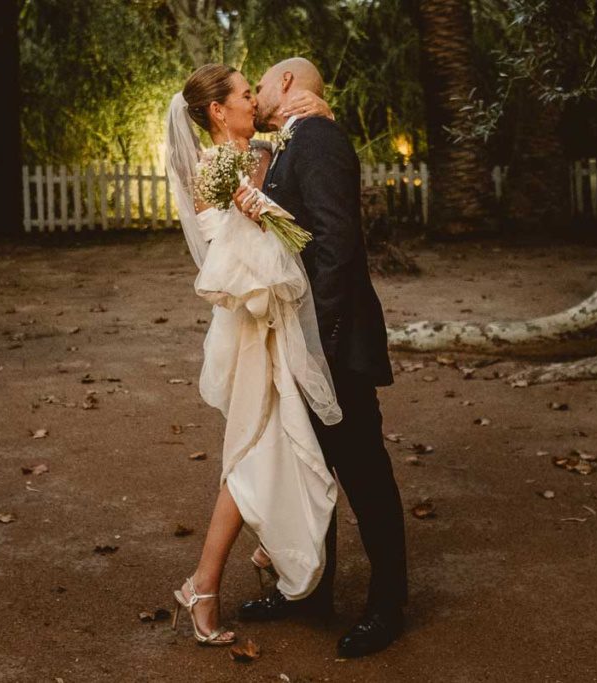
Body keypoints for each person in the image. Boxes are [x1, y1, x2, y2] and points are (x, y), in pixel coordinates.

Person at [236, 57, 408, 659]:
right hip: (300, 342)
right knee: (309, 469)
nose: (253, 94)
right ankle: (310, 593)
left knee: (364, 476)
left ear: (287, 83)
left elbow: (337, 245)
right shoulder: (292, 138)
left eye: (260, 84)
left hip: (334, 345)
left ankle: (389, 606)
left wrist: (321, 343)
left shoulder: (321, 139)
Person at [163, 63, 339, 646]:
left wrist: (322, 114)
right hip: (250, 327)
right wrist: (263, 217)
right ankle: (203, 583)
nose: (251, 101)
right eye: (243, 94)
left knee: (276, 441)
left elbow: (293, 151)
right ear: (218, 111)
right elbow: (230, 266)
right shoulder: (215, 171)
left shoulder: (261, 152)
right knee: (250, 448)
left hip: (274, 325)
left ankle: (250, 558)